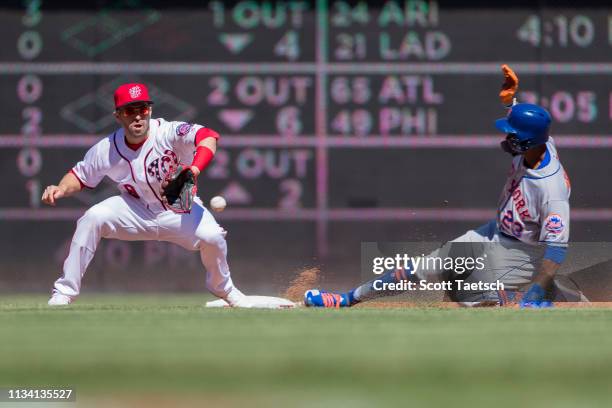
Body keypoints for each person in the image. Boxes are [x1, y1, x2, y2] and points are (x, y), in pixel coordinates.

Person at [305, 66, 575, 308]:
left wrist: (537, 289)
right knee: (423, 268)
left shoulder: (551, 192)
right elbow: (527, 127)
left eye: (512, 135)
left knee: (472, 295)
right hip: (495, 232)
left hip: (522, 252)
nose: (507, 137)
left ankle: (542, 293)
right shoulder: (539, 145)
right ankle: (348, 299)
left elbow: (557, 249)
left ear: (528, 142)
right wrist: (510, 103)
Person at [42, 83, 252, 307]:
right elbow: (79, 175)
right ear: (118, 116)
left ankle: (225, 290)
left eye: (142, 109)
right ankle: (64, 292)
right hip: (135, 210)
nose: (137, 117)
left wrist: (193, 169)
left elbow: (208, 136)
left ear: (150, 111)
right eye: (129, 111)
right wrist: (61, 189)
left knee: (213, 237)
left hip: (178, 209)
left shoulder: (168, 132)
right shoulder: (106, 149)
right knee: (93, 217)